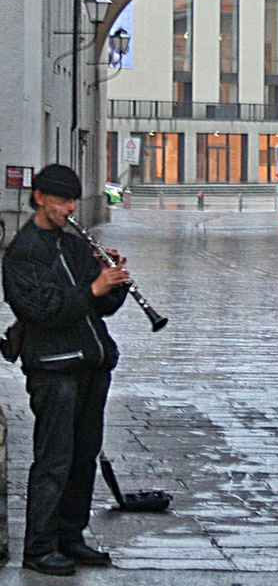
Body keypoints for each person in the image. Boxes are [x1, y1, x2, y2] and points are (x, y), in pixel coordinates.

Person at [2, 165, 130, 576]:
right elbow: (41, 310)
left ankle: (70, 537)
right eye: (62, 200)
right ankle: (39, 547)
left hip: (91, 364)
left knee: (82, 458)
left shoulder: (73, 245)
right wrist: (92, 288)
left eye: (74, 200)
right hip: (54, 369)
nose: (70, 208)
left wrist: (114, 282)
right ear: (39, 197)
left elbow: (101, 306)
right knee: (54, 460)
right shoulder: (23, 252)